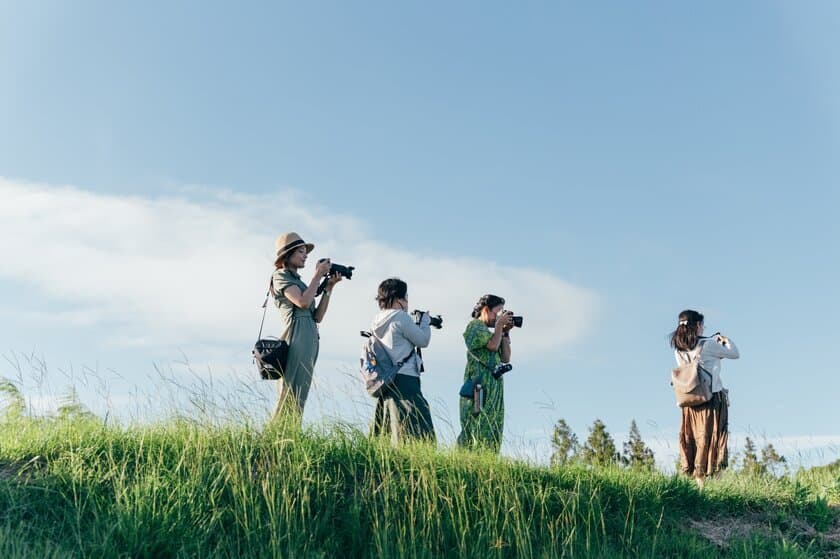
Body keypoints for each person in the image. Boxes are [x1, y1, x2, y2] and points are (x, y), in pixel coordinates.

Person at [270, 232, 342, 424]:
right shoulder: (280, 276)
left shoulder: (300, 281)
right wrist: (318, 274)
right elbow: (302, 302)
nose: (305, 255)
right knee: (289, 393)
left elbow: (317, 316)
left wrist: (328, 288)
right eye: (301, 251)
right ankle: (273, 442)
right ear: (288, 254)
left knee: (299, 393)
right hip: (295, 336)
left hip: (309, 336)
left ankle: (289, 437)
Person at [670, 309, 740, 488]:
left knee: (696, 440)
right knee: (714, 441)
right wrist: (723, 340)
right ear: (698, 326)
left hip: (690, 402)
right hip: (711, 399)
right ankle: (716, 488)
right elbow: (734, 353)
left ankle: (700, 486)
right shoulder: (708, 344)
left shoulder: (678, 349)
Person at [369, 278, 436, 445]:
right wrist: (425, 322)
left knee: (391, 424)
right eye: (406, 298)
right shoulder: (401, 317)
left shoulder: (377, 319)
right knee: (416, 425)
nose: (407, 302)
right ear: (399, 299)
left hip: (387, 377)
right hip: (405, 377)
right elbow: (423, 341)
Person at [456, 294, 514, 453]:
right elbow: (493, 347)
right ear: (486, 309)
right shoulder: (474, 326)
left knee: (492, 427)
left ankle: (488, 463)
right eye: (498, 312)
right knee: (476, 428)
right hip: (478, 386)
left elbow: (506, 357)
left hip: (493, 387)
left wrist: (505, 333)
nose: (499, 317)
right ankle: (467, 463)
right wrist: (498, 328)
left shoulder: (493, 332)